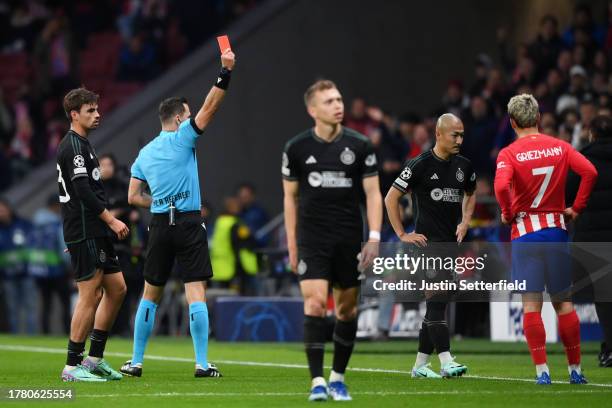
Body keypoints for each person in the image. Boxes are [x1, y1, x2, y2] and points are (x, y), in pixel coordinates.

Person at [120, 49, 236, 378]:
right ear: (177, 119)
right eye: (186, 115)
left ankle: (137, 361)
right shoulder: (183, 137)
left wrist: (159, 203)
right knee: (195, 290)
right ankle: (201, 363)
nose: (190, 119)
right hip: (187, 221)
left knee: (150, 293)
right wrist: (224, 72)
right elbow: (211, 107)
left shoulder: (144, 153)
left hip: (159, 223)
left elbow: (132, 197)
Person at [282, 79, 382, 401]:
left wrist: (375, 238)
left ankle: (337, 377)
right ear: (313, 110)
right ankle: (317, 382)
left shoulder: (361, 145)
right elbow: (289, 199)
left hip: (348, 238)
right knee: (313, 303)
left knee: (346, 311)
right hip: (312, 239)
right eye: (329, 101)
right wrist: (292, 245)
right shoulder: (296, 148)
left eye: (339, 99)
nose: (338, 105)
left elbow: (372, 193)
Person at [494, 94, 597, 385]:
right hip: (556, 232)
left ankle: (543, 373)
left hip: (526, 235)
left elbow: (501, 185)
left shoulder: (509, 154)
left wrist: (507, 211)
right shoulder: (560, 146)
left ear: (513, 122)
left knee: (531, 306)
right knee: (564, 304)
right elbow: (590, 171)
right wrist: (576, 208)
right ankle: (575, 370)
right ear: (538, 118)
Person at [385, 113, 476, 379]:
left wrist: (465, 221)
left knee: (437, 305)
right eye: (454, 135)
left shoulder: (464, 166)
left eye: (461, 135)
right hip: (426, 245)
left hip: (449, 244)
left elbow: (471, 192)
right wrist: (402, 233)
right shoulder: (419, 165)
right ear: (439, 134)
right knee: (436, 303)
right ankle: (446, 361)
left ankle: (419, 366)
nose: (459, 139)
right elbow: (391, 198)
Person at [57, 88, 130, 382]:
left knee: (118, 289)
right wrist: (111, 221)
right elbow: (83, 191)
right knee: (90, 294)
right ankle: (72, 366)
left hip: (90, 230)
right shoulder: (73, 146)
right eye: (90, 110)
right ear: (75, 115)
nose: (97, 114)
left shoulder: (83, 144)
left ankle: (93, 358)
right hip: (87, 228)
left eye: (97, 109)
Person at [566, 115, 612, 367]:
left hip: (592, 239)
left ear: (591, 133)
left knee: (604, 297)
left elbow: (566, 195)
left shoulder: (582, 160)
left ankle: (610, 349)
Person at [29, 194, 71, 334]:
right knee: (65, 303)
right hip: (57, 269)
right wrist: (70, 267)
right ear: (56, 206)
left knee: (46, 303)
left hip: (39, 269)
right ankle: (67, 331)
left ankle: (45, 332)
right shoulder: (57, 223)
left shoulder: (36, 223)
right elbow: (62, 247)